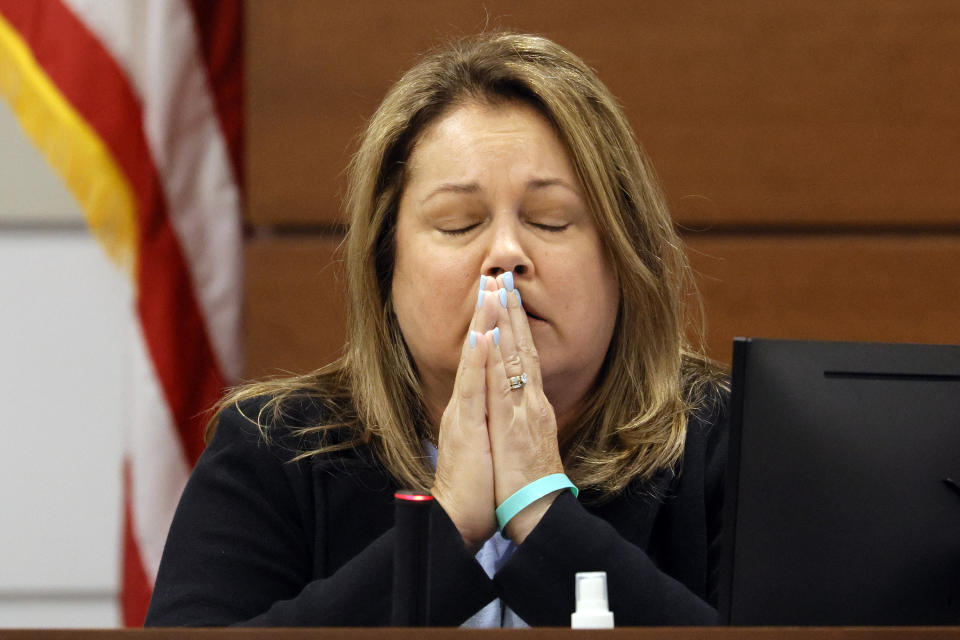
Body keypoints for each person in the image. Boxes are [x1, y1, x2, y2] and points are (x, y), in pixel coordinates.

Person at [145, 32, 727, 628]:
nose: (505, 254)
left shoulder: (727, 446)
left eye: (551, 221)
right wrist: (444, 526)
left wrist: (543, 511)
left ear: (624, 260)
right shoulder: (276, 449)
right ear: (385, 267)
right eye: (457, 224)